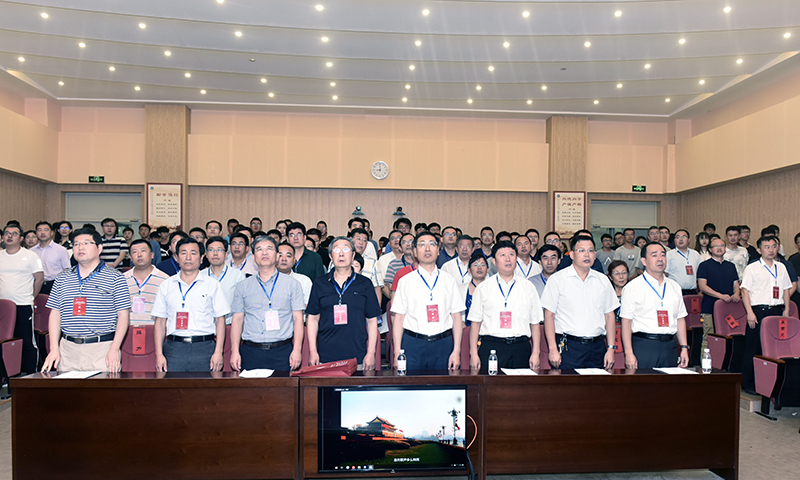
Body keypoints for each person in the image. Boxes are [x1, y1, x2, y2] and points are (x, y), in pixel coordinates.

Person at [41, 228, 130, 373]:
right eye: (76, 244)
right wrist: (54, 348)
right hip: (67, 349)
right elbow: (55, 314)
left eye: (86, 243)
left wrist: (114, 348)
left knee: (102, 388)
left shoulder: (115, 277)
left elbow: (123, 315)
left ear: (99, 248)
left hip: (101, 349)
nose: (80, 247)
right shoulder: (62, 278)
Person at [152, 238, 229, 372]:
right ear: (177, 257)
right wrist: (159, 355)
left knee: (206, 385)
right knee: (172, 385)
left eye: (193, 253)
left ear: (201, 258)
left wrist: (218, 352)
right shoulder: (166, 285)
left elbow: (220, 320)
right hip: (174, 348)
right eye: (183, 253)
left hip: (205, 348)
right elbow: (160, 322)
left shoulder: (212, 285)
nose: (188, 257)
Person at [541, 235, 618, 370]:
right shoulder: (558, 279)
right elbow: (549, 316)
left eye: (590, 250)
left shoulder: (603, 280)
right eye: (581, 250)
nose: (587, 254)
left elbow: (609, 315)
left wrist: (611, 348)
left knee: (597, 383)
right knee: (568, 383)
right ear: (571, 255)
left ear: (595, 255)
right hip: (569, 346)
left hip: (597, 346)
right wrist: (552, 349)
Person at [390, 232, 465, 370]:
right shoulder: (405, 281)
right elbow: (399, 319)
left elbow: (456, 317)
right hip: (413, 344)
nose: (427, 248)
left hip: (442, 344)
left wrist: (456, 351)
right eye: (422, 245)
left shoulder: (449, 280)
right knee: (411, 383)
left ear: (438, 250)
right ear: (415, 252)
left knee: (443, 383)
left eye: (432, 244)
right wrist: (397, 352)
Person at [229, 236, 304, 372]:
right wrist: (235, 351)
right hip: (251, 351)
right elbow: (237, 320)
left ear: (277, 256)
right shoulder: (242, 286)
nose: (264, 253)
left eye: (269, 249)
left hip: (282, 351)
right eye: (259, 249)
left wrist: (297, 350)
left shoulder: (292, 284)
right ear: (253, 257)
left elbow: (298, 319)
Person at [306, 237, 382, 369]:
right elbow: (312, 318)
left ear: (353, 255)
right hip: (326, 354)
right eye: (337, 250)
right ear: (330, 256)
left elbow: (372, 321)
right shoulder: (320, 283)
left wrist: (371, 353)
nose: (341, 254)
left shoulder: (365, 283)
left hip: (357, 355)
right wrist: (312, 351)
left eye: (346, 249)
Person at [468, 241, 542, 371]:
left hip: (521, 346)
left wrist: (536, 353)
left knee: (519, 384)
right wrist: (473, 353)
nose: (508, 259)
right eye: (502, 255)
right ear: (494, 261)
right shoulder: (483, 288)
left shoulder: (528, 287)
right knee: (491, 384)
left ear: (516, 259)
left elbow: (535, 323)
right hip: (491, 346)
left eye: (511, 254)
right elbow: (475, 323)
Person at [620, 242, 690, 369]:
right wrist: (628, 353)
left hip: (670, 346)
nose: (660, 259)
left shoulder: (674, 286)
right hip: (644, 346)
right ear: (644, 261)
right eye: (654, 255)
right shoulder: (633, 287)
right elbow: (626, 322)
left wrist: (684, 347)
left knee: (669, 382)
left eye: (663, 255)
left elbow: (680, 319)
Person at [739, 235, 791, 393]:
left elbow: (786, 290)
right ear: (759, 250)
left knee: (772, 349)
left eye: (774, 246)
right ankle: (748, 383)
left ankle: (769, 385)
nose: (771, 250)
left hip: (776, 311)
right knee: (753, 347)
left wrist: (787, 309)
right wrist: (749, 312)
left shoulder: (781, 267)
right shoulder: (752, 268)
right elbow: (745, 291)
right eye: (767, 247)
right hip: (758, 312)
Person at [0, 224, 44, 374]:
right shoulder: (0, 255)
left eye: (14, 234)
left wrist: (31, 297)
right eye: (7, 233)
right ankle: (8, 376)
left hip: (23, 304)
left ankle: (31, 375)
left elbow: (39, 279)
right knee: (6, 343)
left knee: (26, 342)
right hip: (3, 307)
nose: (9, 236)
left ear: (21, 238)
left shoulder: (30, 256)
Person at [696, 237, 740, 351]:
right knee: (709, 337)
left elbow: (736, 284)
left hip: (728, 308)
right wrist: (721, 296)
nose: (719, 248)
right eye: (716, 246)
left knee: (726, 336)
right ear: (710, 249)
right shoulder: (704, 265)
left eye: (722, 246)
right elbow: (702, 286)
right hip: (709, 307)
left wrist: (736, 293)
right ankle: (706, 361)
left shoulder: (730, 266)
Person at [124, 239, 169, 325]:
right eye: (135, 252)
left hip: (155, 329)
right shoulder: (122, 280)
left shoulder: (165, 280)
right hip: (128, 329)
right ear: (130, 257)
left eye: (143, 251)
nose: (139, 255)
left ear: (152, 255)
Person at [204, 236, 246, 324]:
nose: (215, 253)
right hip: (206, 325)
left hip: (230, 324)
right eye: (211, 250)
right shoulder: (200, 276)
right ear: (206, 254)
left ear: (226, 254)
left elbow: (243, 305)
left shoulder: (237, 275)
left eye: (219, 250)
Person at [31, 221, 70, 295]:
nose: (43, 232)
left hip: (55, 285)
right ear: (36, 233)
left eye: (46, 230)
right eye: (39, 230)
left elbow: (67, 270)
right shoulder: (31, 251)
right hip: (36, 284)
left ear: (52, 233)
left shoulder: (61, 250)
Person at [665, 229, 701, 295]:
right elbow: (665, 274)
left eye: (684, 237)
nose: (681, 239)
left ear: (689, 240)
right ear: (674, 240)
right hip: (674, 292)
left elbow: (701, 273)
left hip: (692, 291)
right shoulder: (669, 254)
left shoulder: (696, 254)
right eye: (678, 237)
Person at [276, 242, 312, 308]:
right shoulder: (266, 280)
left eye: (288, 256)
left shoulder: (304, 280)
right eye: (280, 255)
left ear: (294, 260)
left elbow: (308, 305)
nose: (284, 259)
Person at [459, 254, 488, 326]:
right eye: (475, 265)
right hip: (465, 329)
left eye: (482, 265)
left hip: (486, 329)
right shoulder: (460, 289)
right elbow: (455, 312)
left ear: (487, 269)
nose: (479, 268)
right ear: (469, 270)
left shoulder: (493, 289)